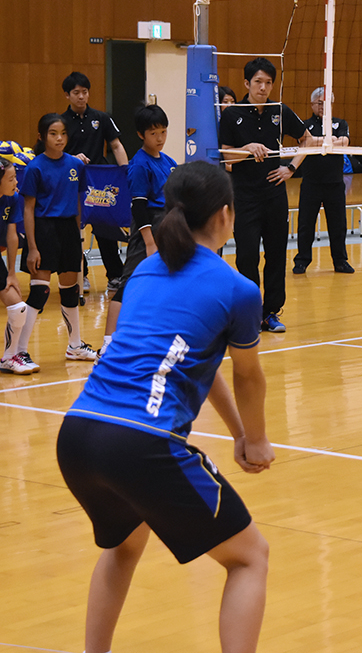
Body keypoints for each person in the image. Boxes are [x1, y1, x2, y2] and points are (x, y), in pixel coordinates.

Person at [56, 161, 274, 653]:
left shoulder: (146, 271)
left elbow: (195, 364)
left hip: (79, 434)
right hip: (141, 442)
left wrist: (238, 433)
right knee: (249, 557)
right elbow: (247, 375)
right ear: (225, 215)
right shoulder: (238, 289)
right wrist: (257, 440)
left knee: (125, 545)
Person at [219, 57, 310, 333]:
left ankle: (271, 312)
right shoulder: (232, 114)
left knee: (276, 255)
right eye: (258, 82)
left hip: (274, 195)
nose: (263, 87)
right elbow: (226, 155)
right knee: (247, 256)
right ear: (247, 83)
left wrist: (290, 168)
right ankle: (250, 312)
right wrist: (247, 148)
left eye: (268, 82)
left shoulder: (279, 110)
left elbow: (307, 139)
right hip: (244, 196)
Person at [19, 113, 99, 367]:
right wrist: (32, 247)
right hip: (44, 229)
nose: (59, 138)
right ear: (42, 137)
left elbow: (77, 201)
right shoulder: (35, 168)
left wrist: (78, 235)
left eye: (63, 133)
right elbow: (28, 209)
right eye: (53, 134)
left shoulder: (76, 165)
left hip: (68, 231)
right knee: (39, 291)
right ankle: (19, 350)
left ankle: (75, 345)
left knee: (70, 290)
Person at [99, 104, 177, 354]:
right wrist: (150, 241)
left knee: (163, 283)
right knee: (129, 283)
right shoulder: (140, 164)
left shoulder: (169, 162)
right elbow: (139, 206)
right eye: (154, 133)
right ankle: (108, 342)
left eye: (163, 132)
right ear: (141, 134)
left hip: (167, 227)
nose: (160, 138)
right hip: (148, 229)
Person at [61, 71, 127, 295]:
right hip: (71, 182)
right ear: (67, 95)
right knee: (73, 230)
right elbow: (54, 152)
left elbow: (116, 145)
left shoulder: (102, 118)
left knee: (106, 227)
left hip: (99, 182)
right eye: (76, 92)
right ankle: (82, 274)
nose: (81, 96)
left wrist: (125, 172)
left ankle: (115, 275)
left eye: (85, 92)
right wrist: (72, 158)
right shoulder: (61, 122)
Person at [292, 87, 353, 275]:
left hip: (335, 183)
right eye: (319, 103)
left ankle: (340, 261)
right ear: (312, 104)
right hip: (311, 183)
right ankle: (302, 261)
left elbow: (344, 142)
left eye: (327, 103)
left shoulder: (340, 123)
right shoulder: (305, 124)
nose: (323, 106)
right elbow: (304, 142)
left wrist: (317, 141)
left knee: (338, 225)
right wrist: (328, 140)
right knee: (305, 224)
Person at [0, 159, 30, 375]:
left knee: (18, 307)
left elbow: (12, 236)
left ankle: (9, 358)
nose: (16, 182)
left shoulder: (12, 198)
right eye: (11, 179)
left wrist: (12, 273)